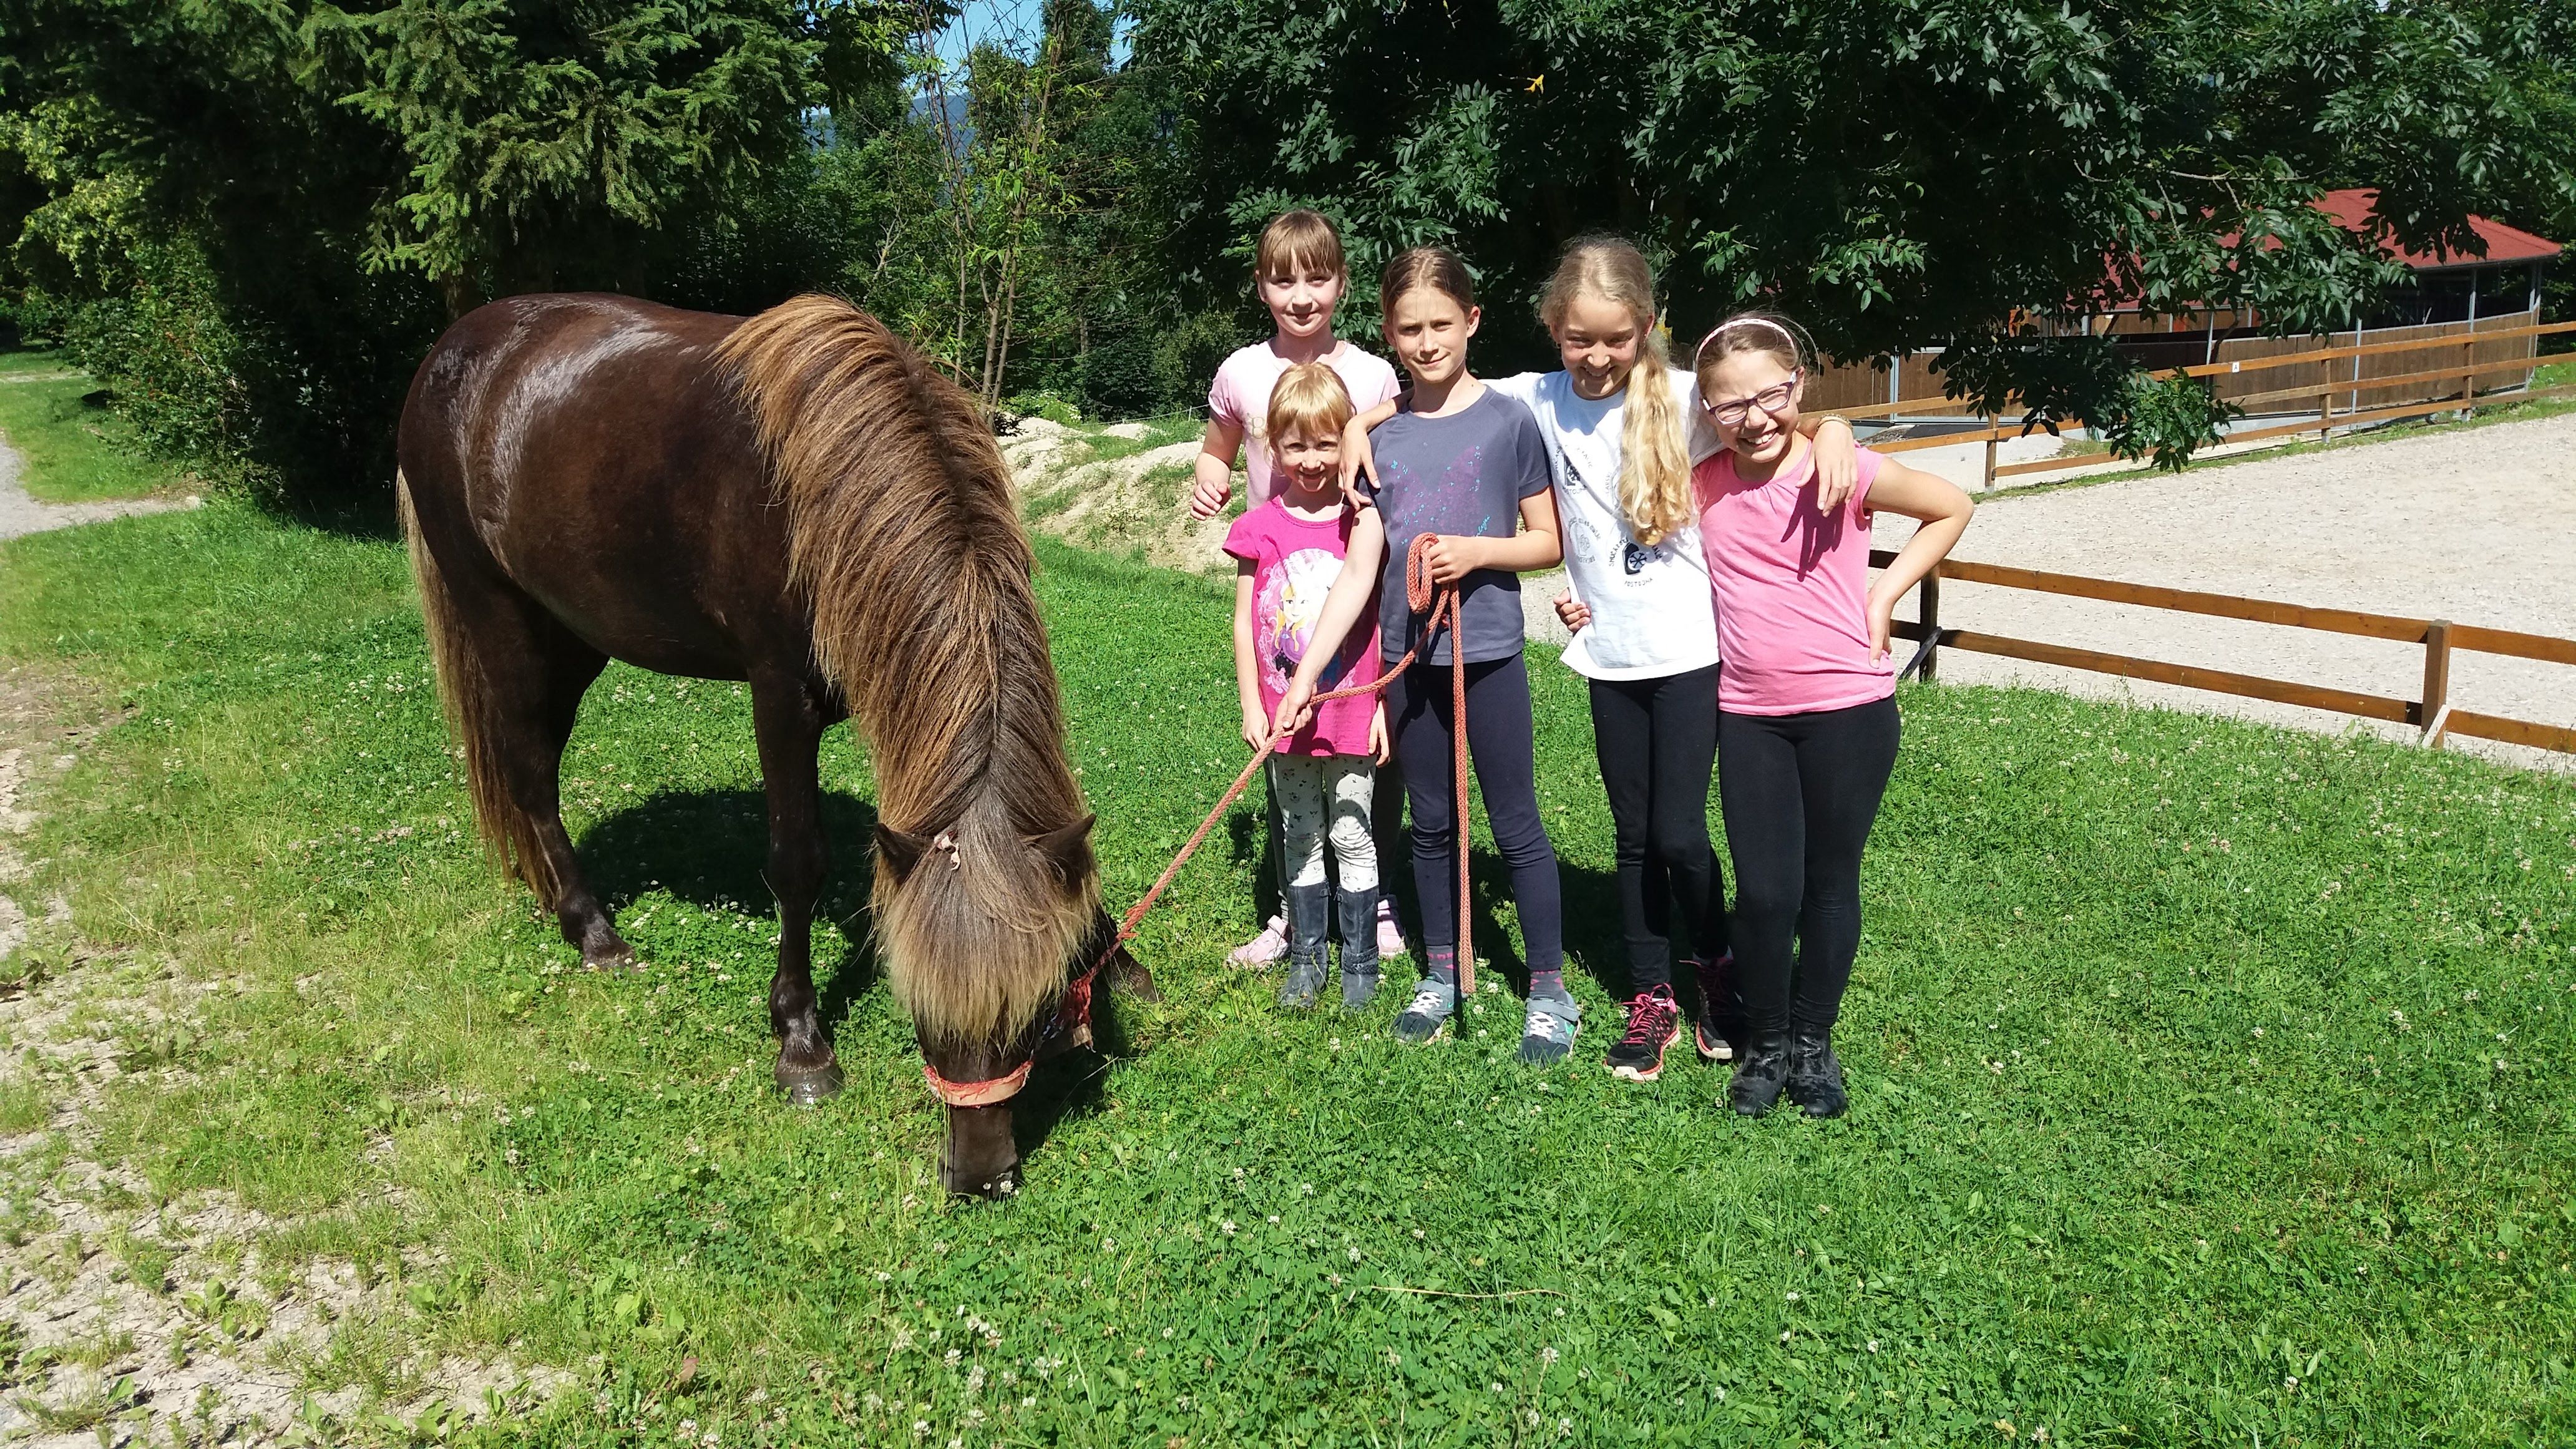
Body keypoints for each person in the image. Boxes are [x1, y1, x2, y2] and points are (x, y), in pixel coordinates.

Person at [1337, 237, 1859, 1083]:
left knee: (1681, 834)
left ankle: (1716, 966)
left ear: (1646, 329)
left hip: (1691, 648)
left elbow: (1764, 409)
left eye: (1616, 339)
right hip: (1608, 654)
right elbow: (1430, 393)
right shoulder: (1534, 398)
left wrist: (1833, 426)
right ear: (1553, 331)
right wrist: (1363, 422)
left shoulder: (1686, 397)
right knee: (1630, 835)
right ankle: (1651, 993)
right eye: (1579, 338)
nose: (1597, 355)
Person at [1276, 245, 1577, 1063]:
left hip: (1487, 655)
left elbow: (1545, 541)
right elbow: (1360, 568)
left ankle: (1548, 986)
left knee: (1516, 822)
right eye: (1409, 328)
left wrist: (1475, 554)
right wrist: (1306, 677)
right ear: (1389, 333)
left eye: (1442, 323)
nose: (1427, 340)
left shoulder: (1508, 422)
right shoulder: (1382, 438)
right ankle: (1442, 970)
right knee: (1433, 825)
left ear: (1473, 321)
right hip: (1410, 661)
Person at [1690, 311, 1973, 1118]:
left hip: (1851, 708)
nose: (1753, 418)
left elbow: (1951, 506)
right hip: (1749, 716)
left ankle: (1815, 1042)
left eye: (1772, 397)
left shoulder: (1841, 466)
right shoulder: (1703, 481)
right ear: (1708, 411)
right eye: (1729, 405)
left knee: (1827, 884)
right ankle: (1768, 1042)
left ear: (1797, 386)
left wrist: (1885, 590)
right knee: (1765, 893)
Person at [1188, 208, 1408, 971]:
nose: (1302, 295)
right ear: (1262, 288)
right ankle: (1293, 914)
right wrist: (1211, 472)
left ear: (1342, 284)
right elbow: (1219, 444)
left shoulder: (1375, 374)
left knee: (1367, 747)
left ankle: (1375, 900)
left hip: (1353, 585)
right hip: (1278, 587)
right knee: (1291, 753)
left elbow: (1405, 430)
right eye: (1284, 280)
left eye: (1318, 278)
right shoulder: (1241, 371)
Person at [1222, 364, 1393, 1009]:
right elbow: (1243, 624)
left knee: (1352, 830)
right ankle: (1307, 955)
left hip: (1350, 711)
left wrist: (1377, 703)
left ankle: (1360, 960)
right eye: (1297, 445)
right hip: (1282, 716)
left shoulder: (1364, 522)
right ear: (1273, 447)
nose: (1314, 459)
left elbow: (1378, 620)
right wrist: (1250, 704)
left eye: (1327, 443)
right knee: (1299, 831)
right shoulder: (1258, 527)